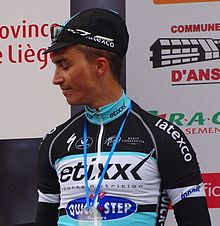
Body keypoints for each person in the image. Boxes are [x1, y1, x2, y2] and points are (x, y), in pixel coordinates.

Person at [35, 8, 211, 226]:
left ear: (100, 66)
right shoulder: (55, 142)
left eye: (65, 65)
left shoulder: (162, 137)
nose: (56, 78)